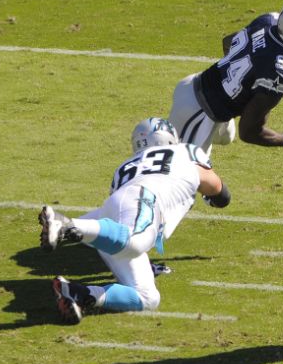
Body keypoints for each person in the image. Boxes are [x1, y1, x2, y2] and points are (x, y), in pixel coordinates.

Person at [38, 118, 231, 323]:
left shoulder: (126, 165)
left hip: (114, 209)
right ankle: (67, 225)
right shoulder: (185, 152)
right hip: (143, 200)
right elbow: (219, 191)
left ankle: (78, 293)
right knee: (136, 242)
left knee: (148, 298)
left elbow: (119, 211)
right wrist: (216, 197)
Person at [168, 0, 283, 154]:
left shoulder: (268, 20)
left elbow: (228, 42)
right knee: (183, 175)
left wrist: (234, 86)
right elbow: (249, 132)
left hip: (192, 83)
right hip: (198, 112)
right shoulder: (280, 72)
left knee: (225, 136)